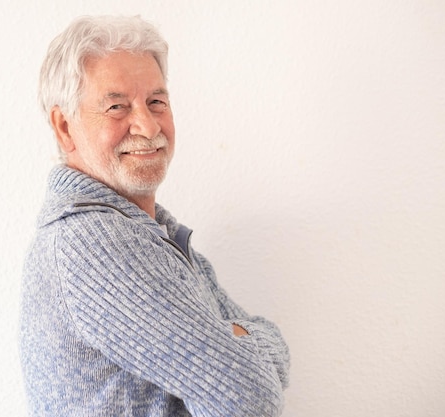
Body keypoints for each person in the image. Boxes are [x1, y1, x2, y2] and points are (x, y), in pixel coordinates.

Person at [20, 15, 290, 417]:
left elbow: (273, 353)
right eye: (116, 106)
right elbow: (249, 398)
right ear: (64, 127)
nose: (147, 125)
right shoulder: (95, 242)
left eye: (156, 102)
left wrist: (239, 341)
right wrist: (237, 341)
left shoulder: (152, 232)